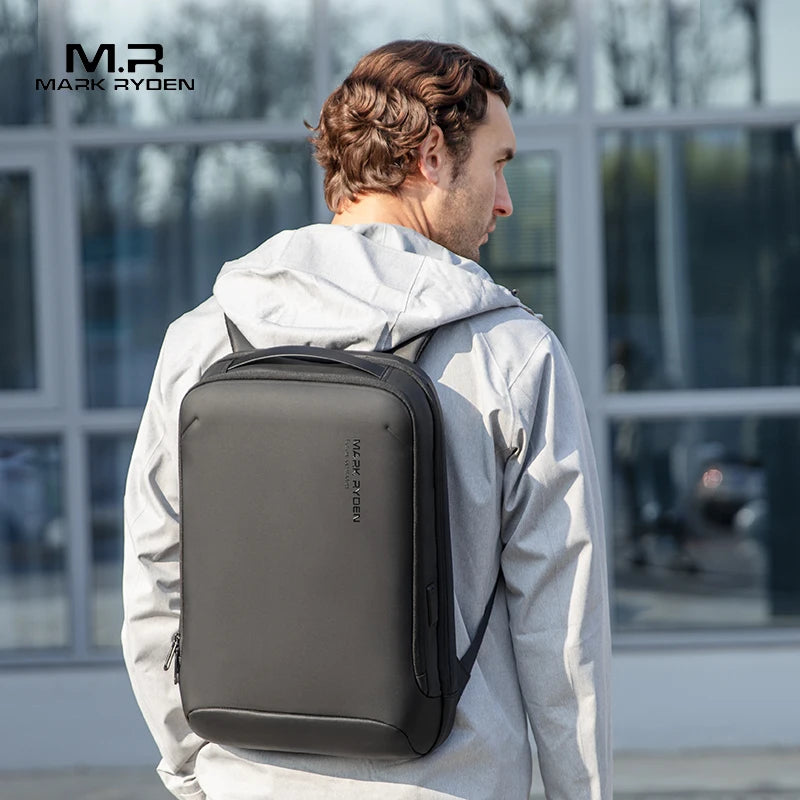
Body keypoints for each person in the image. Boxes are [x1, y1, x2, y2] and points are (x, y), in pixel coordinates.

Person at [122, 39, 611, 800]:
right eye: (499, 164)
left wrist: (193, 769)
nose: (506, 201)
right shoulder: (511, 354)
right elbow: (562, 624)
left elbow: (156, 577)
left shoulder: (202, 340)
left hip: (248, 781)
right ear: (432, 158)